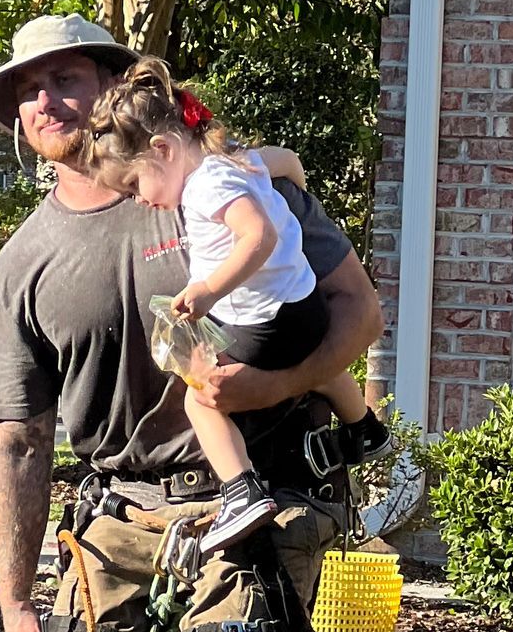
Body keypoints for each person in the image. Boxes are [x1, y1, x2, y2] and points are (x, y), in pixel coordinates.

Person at [0, 13, 385, 632]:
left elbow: (359, 312)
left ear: (115, 89)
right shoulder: (22, 264)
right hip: (119, 509)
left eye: (65, 79)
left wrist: (270, 385)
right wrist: (14, 599)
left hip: (256, 490)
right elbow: (19, 441)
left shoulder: (206, 183)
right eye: (27, 92)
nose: (45, 101)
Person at [86, 56, 387, 552]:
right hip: (304, 309)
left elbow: (258, 237)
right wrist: (292, 194)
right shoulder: (235, 162)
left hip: (265, 323)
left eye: (134, 185)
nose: (138, 200)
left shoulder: (205, 188)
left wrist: (209, 291)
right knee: (313, 362)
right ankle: (365, 429)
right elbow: (288, 162)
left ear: (162, 150)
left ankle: (241, 491)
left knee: (200, 396)